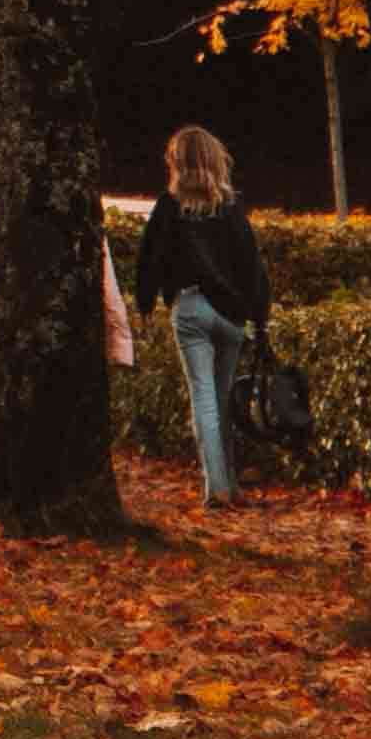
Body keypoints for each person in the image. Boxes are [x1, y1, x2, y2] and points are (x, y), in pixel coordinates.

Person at [133, 121, 271, 503]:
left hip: (192, 309)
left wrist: (145, 304)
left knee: (204, 400)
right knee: (224, 399)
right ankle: (231, 482)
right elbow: (251, 266)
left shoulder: (169, 208)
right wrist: (260, 317)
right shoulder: (230, 209)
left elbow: (150, 261)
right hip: (231, 315)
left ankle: (217, 490)